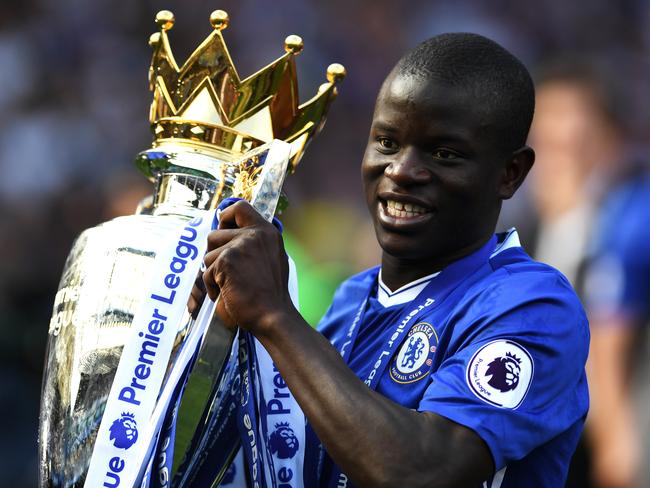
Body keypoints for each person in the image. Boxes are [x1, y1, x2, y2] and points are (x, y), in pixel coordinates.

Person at [193, 33, 589, 487]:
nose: (401, 170)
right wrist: (214, 343)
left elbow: (423, 472)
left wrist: (273, 315)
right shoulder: (351, 300)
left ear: (509, 173)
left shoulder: (533, 306)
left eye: (444, 153)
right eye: (387, 141)